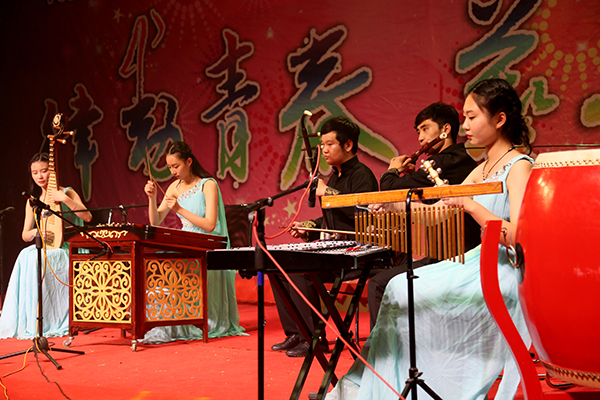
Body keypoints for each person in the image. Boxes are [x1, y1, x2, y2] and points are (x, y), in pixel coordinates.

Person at [325, 78, 533, 400]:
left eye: (472, 117)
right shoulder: (482, 169)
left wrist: (470, 205)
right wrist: (393, 205)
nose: (465, 126)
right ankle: (387, 384)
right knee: (397, 287)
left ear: (500, 119)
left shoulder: (518, 166)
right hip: (478, 263)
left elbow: (519, 235)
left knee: (402, 288)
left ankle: (415, 385)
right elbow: (437, 213)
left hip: (503, 269)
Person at [271, 116, 379, 357]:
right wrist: (309, 226)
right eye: (323, 145)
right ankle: (297, 333)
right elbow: (331, 220)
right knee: (278, 267)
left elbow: (363, 215)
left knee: (300, 269)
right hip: (336, 249)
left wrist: (327, 191)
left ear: (348, 145)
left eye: (330, 144)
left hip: (357, 253)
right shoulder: (335, 176)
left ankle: (315, 340)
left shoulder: (363, 175)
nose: (324, 150)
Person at [368, 102, 480, 329]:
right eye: (418, 131)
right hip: (456, 254)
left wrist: (392, 170)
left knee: (378, 284)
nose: (420, 138)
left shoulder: (441, 162)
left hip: (453, 259)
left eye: (425, 129)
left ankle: (387, 347)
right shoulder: (463, 160)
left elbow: (390, 189)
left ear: (445, 130)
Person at [141, 141, 244, 343]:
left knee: (176, 265)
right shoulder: (174, 187)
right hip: (186, 241)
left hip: (207, 243)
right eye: (169, 167)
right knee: (162, 263)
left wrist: (179, 209)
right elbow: (155, 221)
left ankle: (190, 319)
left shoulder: (208, 185)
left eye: (176, 166)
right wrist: (152, 198)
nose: (173, 171)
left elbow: (210, 224)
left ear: (189, 162)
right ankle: (170, 318)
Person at [0, 153, 92, 339]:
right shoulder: (32, 201)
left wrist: (64, 199)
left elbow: (87, 217)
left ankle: (54, 318)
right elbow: (25, 234)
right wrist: (38, 232)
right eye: (35, 173)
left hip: (67, 248)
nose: (40, 176)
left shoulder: (67, 192)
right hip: (47, 247)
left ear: (53, 171)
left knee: (39, 258)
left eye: (44, 171)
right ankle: (33, 319)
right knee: (26, 255)